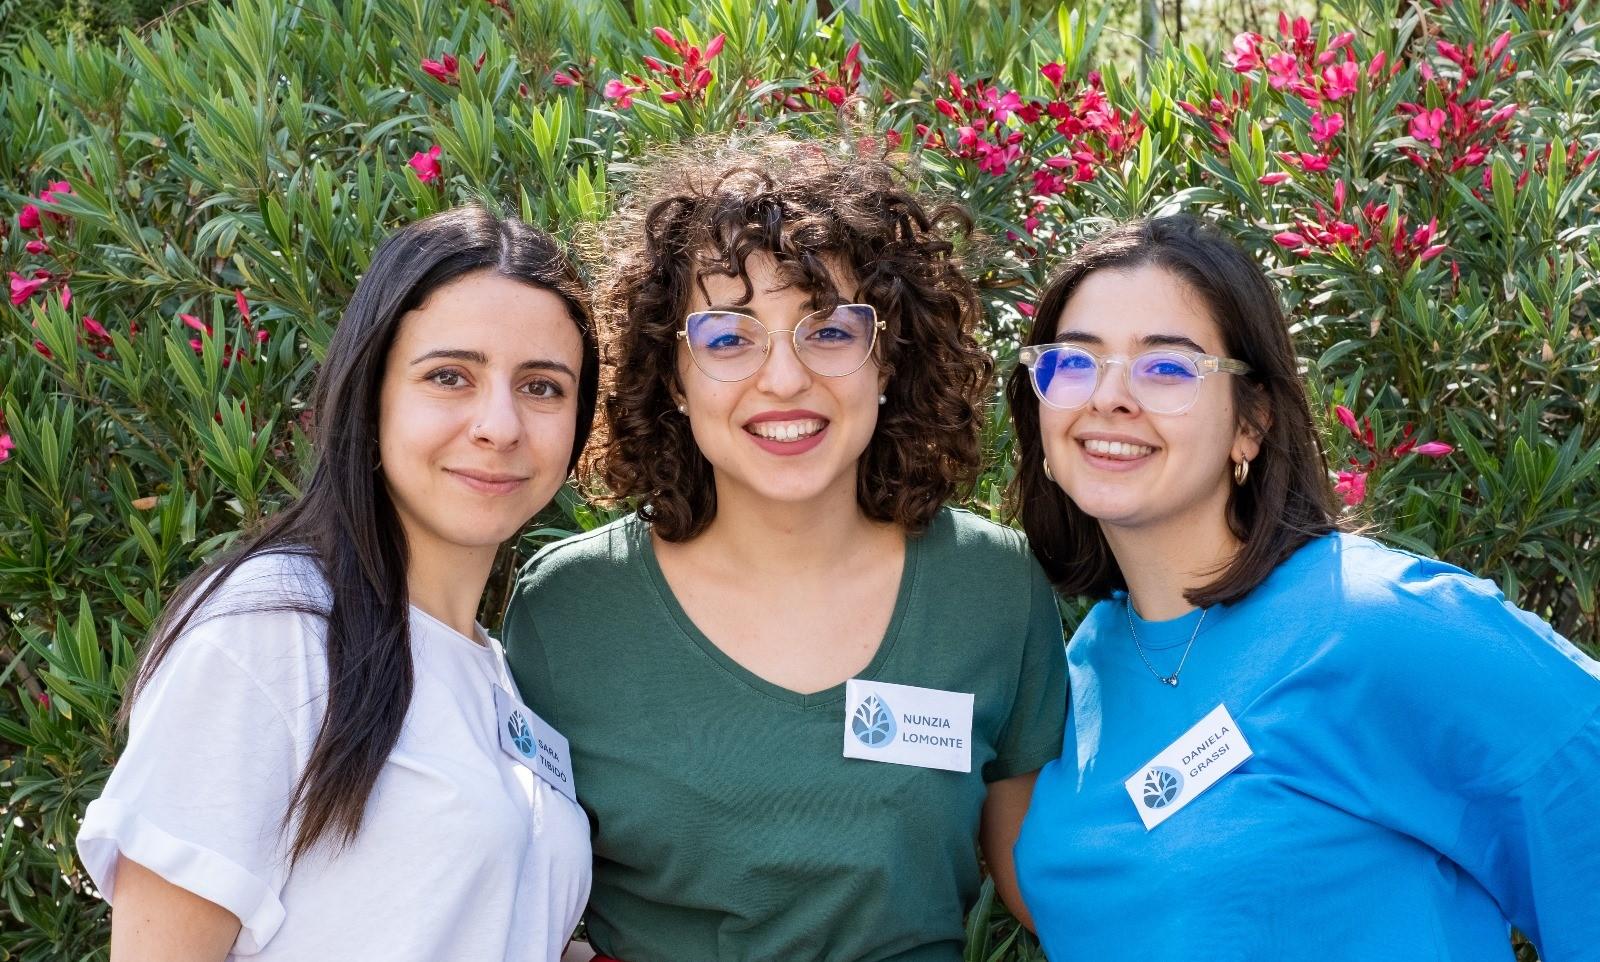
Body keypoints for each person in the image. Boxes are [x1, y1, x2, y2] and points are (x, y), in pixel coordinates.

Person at [501, 135, 1066, 962]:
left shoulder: (993, 587)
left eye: (829, 331)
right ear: (674, 378)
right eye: (729, 340)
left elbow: (1049, 877)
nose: (785, 379)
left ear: (889, 359)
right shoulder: (568, 611)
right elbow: (506, 882)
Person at [1006, 214, 1600, 960]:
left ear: (1250, 423)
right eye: (1075, 362)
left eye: (1168, 368)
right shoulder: (1087, 661)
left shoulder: (1375, 620)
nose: (1110, 397)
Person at [75, 206, 600, 962]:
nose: (499, 425)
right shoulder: (271, 630)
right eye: (449, 376)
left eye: (543, 387)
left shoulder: (493, 671)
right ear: (371, 391)